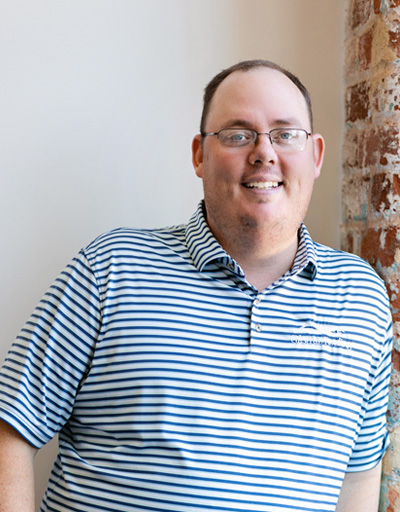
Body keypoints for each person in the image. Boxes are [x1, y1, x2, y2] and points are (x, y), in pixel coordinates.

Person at [0, 59, 392, 512]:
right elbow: (10, 426)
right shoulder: (112, 268)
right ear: (199, 155)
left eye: (285, 134)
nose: (264, 152)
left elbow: (359, 476)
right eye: (238, 134)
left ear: (316, 155)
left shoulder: (360, 297)